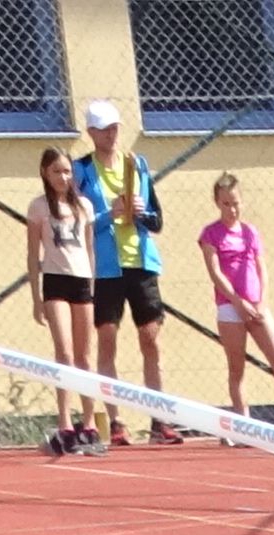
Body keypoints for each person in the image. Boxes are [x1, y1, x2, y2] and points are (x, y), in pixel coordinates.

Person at [73, 104, 178, 438]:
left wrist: (141, 213)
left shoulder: (137, 165)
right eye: (104, 128)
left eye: (115, 127)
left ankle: (159, 418)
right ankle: (116, 420)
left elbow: (157, 221)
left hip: (140, 262)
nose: (111, 134)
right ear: (91, 132)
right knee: (107, 340)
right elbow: (77, 224)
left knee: (151, 338)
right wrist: (111, 214)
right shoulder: (81, 170)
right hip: (105, 268)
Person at [194, 173, 274, 424]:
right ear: (217, 203)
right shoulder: (210, 234)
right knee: (237, 367)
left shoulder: (250, 232)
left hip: (256, 306)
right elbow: (215, 273)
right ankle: (243, 424)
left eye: (235, 203)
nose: (232, 209)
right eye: (226, 204)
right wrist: (237, 302)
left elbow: (262, 269)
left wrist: (261, 303)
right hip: (230, 307)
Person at [25, 147, 102, 454]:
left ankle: (90, 423)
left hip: (81, 281)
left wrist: (93, 286)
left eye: (67, 171)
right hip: (55, 281)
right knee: (65, 353)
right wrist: (36, 298)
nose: (62, 177)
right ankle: (65, 423)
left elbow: (90, 249)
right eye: (56, 171)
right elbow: (33, 255)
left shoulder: (84, 206)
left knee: (85, 356)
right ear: (45, 173)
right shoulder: (38, 207)